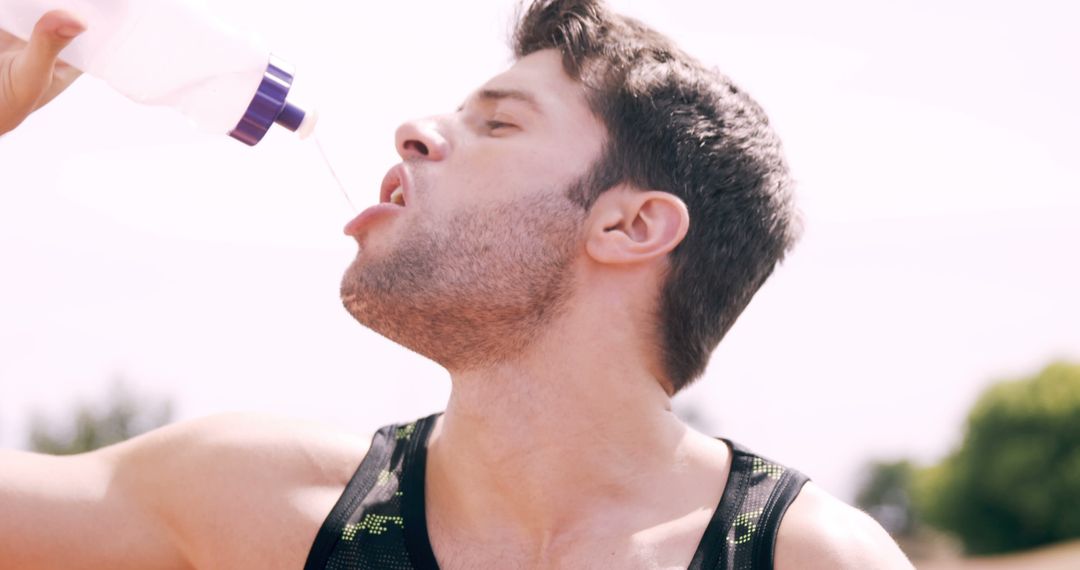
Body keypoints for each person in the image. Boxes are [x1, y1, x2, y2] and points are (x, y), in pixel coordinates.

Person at [0, 1, 914, 568]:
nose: (414, 131)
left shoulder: (804, 559)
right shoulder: (261, 507)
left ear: (632, 225)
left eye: (500, 126)